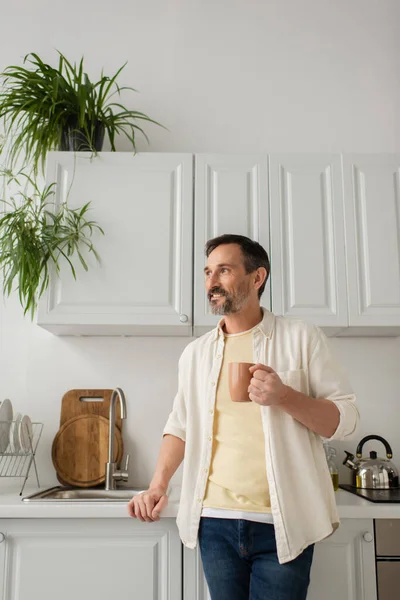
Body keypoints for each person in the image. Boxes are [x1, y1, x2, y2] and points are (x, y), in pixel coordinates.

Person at [127, 234, 359, 600]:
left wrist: (284, 396)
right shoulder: (195, 353)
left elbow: (344, 418)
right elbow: (180, 426)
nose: (211, 282)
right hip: (214, 523)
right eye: (207, 272)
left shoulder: (301, 337)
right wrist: (158, 485)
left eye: (224, 270)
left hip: (284, 523)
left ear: (257, 277)